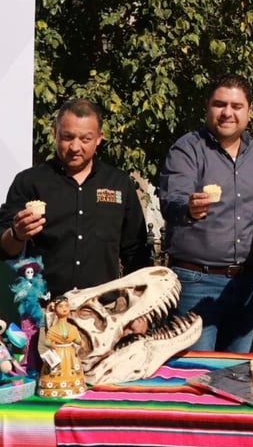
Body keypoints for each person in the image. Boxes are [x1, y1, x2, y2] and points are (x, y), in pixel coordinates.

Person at [159, 74, 253, 353]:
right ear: (207, 107)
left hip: (247, 283)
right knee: (195, 374)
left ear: (249, 112)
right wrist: (190, 207)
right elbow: (171, 202)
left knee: (237, 375)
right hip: (196, 282)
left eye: (236, 106)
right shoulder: (186, 149)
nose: (227, 113)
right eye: (219, 104)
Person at [0, 98, 150, 298]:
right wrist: (17, 234)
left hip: (101, 314)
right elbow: (4, 248)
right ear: (55, 133)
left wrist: (139, 309)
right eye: (67, 137)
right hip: (43, 309)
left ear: (99, 138)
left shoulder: (119, 184)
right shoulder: (30, 181)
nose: (75, 147)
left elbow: (136, 254)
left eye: (85, 139)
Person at [36, 295, 86, 398]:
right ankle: (54, 389)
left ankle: (74, 387)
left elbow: (75, 338)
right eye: (61, 306)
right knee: (55, 371)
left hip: (70, 354)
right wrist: (51, 344)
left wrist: (80, 342)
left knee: (73, 370)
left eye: (66, 306)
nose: (64, 309)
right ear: (54, 309)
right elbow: (47, 341)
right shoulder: (53, 329)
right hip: (57, 354)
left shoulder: (72, 328)